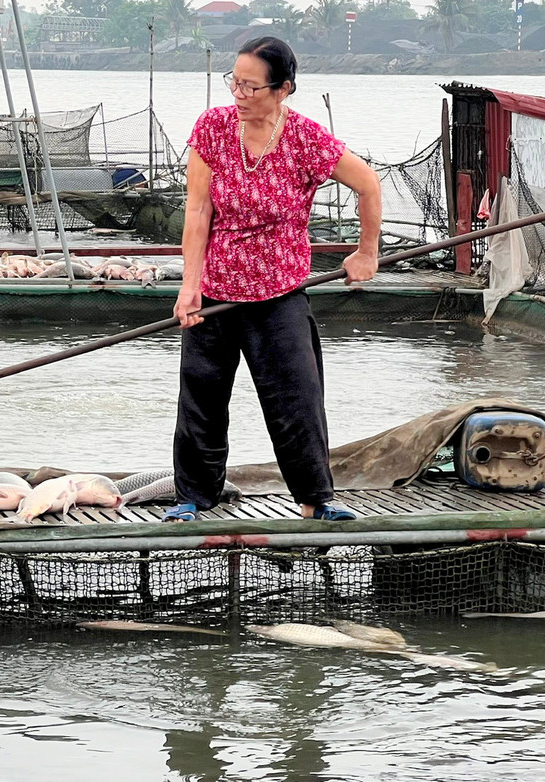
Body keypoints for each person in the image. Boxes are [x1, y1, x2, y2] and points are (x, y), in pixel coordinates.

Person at [164, 37, 381, 523]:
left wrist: (367, 252)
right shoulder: (213, 128)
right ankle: (193, 499)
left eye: (250, 86)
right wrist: (189, 285)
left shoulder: (305, 138)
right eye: (234, 82)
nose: (238, 95)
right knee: (201, 397)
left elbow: (368, 183)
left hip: (279, 293)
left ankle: (316, 498)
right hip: (215, 294)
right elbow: (198, 210)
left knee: (296, 399)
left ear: (283, 90)